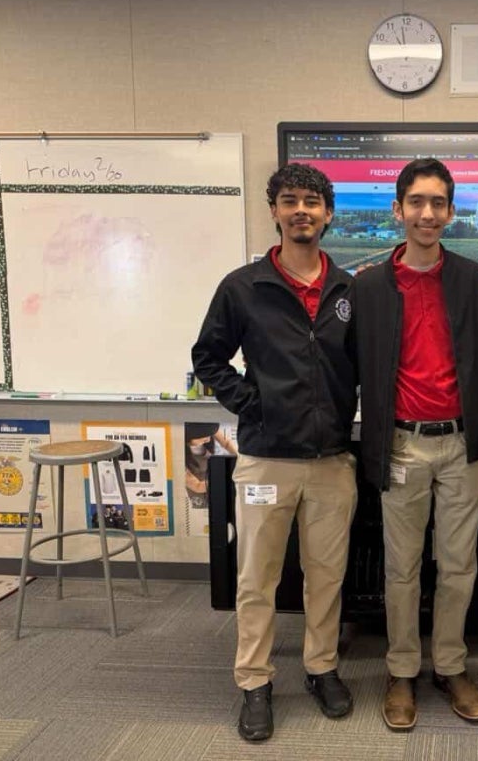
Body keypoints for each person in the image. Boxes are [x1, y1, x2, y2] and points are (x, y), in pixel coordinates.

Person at [192, 163, 358, 742]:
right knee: (257, 578)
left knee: (326, 576)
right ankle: (255, 681)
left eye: (312, 202)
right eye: (290, 201)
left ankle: (320, 668)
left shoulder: (349, 290)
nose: (301, 211)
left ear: (328, 213)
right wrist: (251, 404)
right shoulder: (243, 286)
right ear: (275, 211)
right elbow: (207, 358)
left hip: (334, 461)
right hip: (266, 458)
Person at [352, 158, 478, 732]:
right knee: (401, 569)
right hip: (403, 446)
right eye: (417, 202)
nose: (428, 213)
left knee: (459, 565)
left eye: (438, 203)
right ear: (398, 210)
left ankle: (451, 665)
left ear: (451, 211)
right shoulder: (367, 286)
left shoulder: (472, 279)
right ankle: (402, 670)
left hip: (463, 446)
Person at [184, 422, 238, 510]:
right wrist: (227, 481)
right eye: (204, 438)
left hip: (212, 475)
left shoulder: (208, 428)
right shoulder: (177, 454)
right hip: (199, 488)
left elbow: (226, 443)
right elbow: (196, 486)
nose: (208, 440)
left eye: (210, 436)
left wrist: (240, 458)